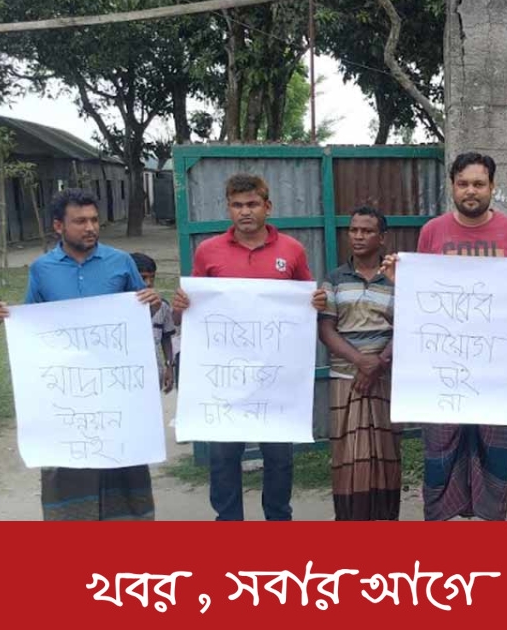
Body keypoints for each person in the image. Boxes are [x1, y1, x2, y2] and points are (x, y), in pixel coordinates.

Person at [381, 152, 507, 521]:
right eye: (463, 184)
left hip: (496, 372)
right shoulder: (433, 231)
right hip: (442, 371)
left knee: (495, 455)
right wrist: (402, 281)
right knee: (440, 453)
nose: (470, 191)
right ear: (452, 187)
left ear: (492, 186)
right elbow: (422, 296)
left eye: (478, 183)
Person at [0, 189, 164, 521]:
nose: (90, 227)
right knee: (68, 460)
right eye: (80, 221)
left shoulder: (121, 262)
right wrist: (6, 317)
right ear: (59, 226)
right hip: (67, 391)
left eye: (94, 220)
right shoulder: (42, 269)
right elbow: (34, 321)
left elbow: (139, 315)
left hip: (116, 387)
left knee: (122, 459)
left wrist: (151, 302)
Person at [171, 173, 326, 521]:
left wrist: (316, 302)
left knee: (279, 458)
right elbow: (190, 316)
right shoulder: (208, 251)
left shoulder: (292, 250)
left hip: (275, 379)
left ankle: (278, 519)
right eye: (237, 205)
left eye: (252, 204)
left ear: (267, 206)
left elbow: (307, 304)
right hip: (225, 379)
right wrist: (181, 307)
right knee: (224, 458)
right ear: (228, 208)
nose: (245, 211)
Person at [318, 206, 400, 520]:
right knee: (347, 455)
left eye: (367, 231)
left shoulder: (397, 279)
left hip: (385, 379)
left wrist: (379, 363)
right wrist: (361, 362)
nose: (358, 236)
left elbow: (411, 325)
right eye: (353, 230)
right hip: (345, 380)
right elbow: (326, 329)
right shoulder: (334, 279)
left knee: (385, 452)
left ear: (382, 238)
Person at [131, 252, 177, 393]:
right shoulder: (118, 306)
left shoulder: (162, 306)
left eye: (152, 277)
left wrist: (169, 366)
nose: (148, 283)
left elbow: (167, 338)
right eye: (143, 277)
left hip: (154, 373)